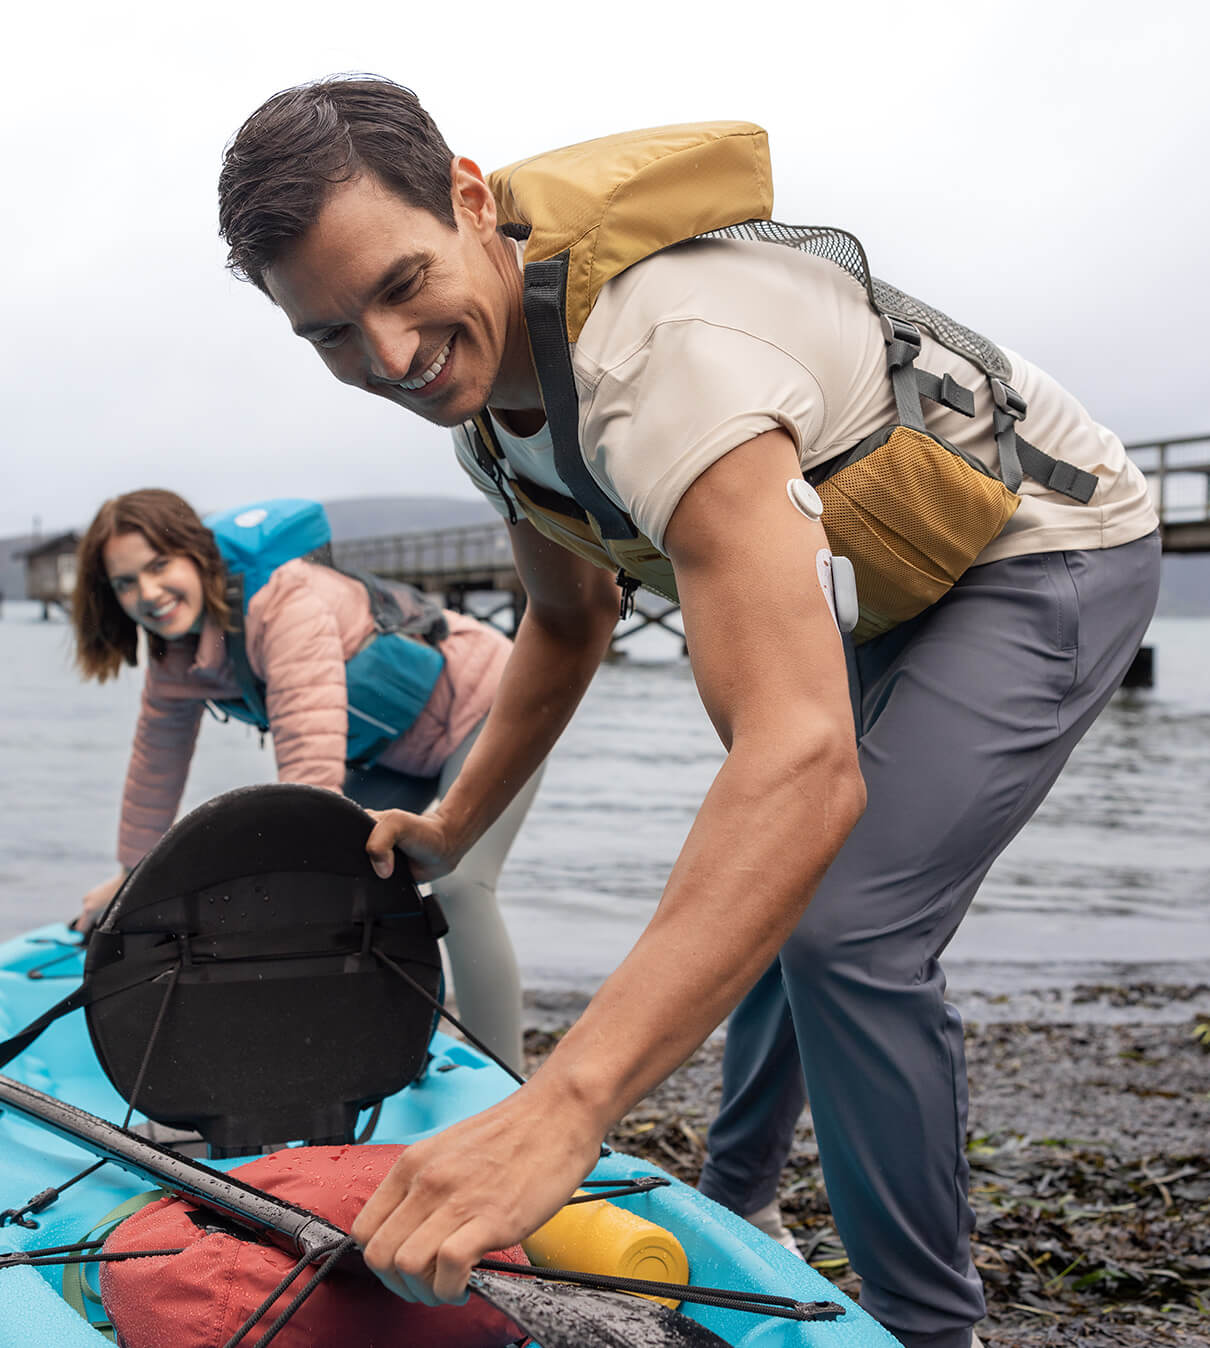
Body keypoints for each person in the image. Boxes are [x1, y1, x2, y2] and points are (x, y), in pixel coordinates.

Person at [216, 76, 1160, 1348]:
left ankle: (934, 1330)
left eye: (397, 286)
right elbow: (569, 617)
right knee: (767, 880)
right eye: (330, 334)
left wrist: (567, 1104)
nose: (387, 358)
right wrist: (449, 822)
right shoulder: (491, 412)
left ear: (469, 198)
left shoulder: (664, 365)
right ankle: (738, 1205)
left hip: (1044, 546)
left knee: (846, 922)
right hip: (883, 590)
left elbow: (803, 764)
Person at [71, 488, 542, 1071]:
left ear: (194, 553)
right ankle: (411, 1049)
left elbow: (310, 776)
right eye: (124, 584)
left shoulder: (283, 606)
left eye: (159, 565)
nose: (147, 593)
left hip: (490, 710)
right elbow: (155, 764)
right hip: (394, 752)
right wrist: (126, 879)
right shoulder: (177, 658)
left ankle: (505, 1078)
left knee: (460, 883)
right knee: (356, 878)